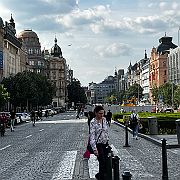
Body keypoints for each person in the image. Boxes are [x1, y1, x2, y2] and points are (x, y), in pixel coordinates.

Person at [89, 105, 110, 180]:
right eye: (100, 113)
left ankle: (100, 175)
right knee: (102, 162)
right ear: (95, 113)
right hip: (98, 144)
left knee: (107, 162)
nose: (102, 115)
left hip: (105, 143)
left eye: (103, 113)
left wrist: (107, 140)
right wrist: (95, 149)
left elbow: (106, 131)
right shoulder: (92, 122)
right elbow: (92, 136)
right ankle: (101, 177)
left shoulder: (104, 120)